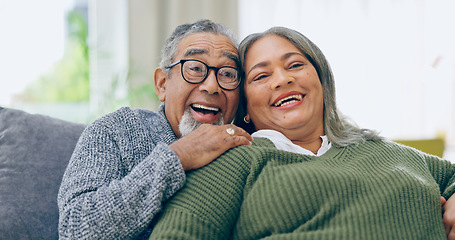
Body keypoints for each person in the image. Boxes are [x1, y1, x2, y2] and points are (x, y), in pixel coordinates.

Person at [148, 26, 455, 239]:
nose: (281, 80)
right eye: (261, 75)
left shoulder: (384, 150)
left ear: (321, 80)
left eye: (295, 65)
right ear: (245, 105)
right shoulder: (232, 163)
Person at [57, 19, 253, 240]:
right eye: (195, 68)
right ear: (162, 84)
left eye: (227, 73)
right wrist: (179, 157)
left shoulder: (248, 147)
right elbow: (75, 229)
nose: (211, 86)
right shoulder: (116, 130)